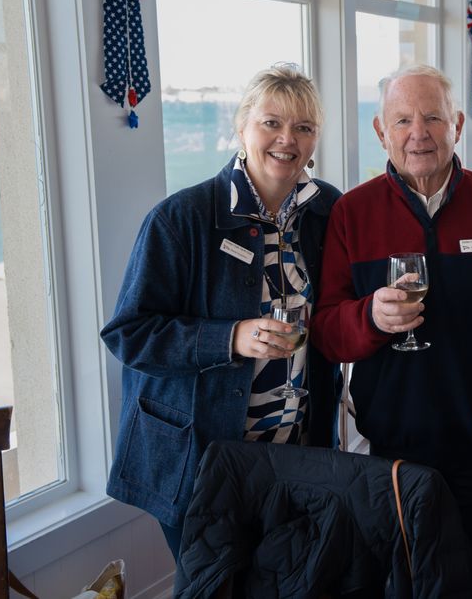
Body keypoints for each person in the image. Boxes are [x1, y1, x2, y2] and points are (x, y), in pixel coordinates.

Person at [313, 64, 472, 598]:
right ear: (380, 132)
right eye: (402, 120)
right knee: (403, 583)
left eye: (433, 117)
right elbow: (326, 331)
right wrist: (369, 319)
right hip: (394, 448)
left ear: (458, 124)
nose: (418, 132)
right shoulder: (352, 213)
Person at [101, 65, 343, 560]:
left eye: (303, 127)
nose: (286, 139)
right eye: (271, 123)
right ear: (241, 127)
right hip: (201, 460)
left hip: (296, 451)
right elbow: (129, 334)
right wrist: (230, 337)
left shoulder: (328, 212)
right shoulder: (182, 218)